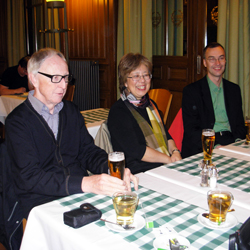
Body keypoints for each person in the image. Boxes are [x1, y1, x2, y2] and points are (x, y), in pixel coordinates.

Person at [5, 48, 138, 219]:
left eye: (66, 78)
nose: (63, 85)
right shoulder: (17, 122)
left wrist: (112, 170)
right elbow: (30, 178)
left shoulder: (71, 111)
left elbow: (88, 151)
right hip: (41, 203)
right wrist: (87, 183)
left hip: (79, 196)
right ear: (33, 78)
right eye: (55, 78)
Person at [108, 53, 182, 174]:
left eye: (145, 75)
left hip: (162, 167)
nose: (142, 81)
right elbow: (137, 150)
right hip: (138, 173)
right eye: (136, 76)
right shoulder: (119, 112)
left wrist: (175, 152)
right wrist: (169, 159)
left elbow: (166, 135)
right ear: (125, 82)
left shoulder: (151, 105)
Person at [181, 42, 245, 158]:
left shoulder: (234, 89)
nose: (218, 63)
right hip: (204, 145)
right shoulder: (191, 91)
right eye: (212, 59)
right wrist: (215, 146)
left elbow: (240, 125)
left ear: (225, 60)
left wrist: (237, 144)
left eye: (221, 58)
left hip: (230, 141)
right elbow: (191, 131)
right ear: (205, 63)